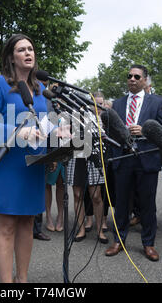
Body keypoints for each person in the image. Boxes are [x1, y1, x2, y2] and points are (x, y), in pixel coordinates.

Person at [0, 34, 65, 283]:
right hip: (7, 165)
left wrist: (58, 132)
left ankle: (22, 280)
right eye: (21, 49)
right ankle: (7, 285)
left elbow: (44, 123)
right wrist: (16, 131)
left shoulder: (40, 89)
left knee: (26, 225)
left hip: (32, 165)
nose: (28, 53)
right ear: (11, 57)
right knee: (6, 226)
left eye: (31, 49)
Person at [104, 64, 162, 262]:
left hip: (147, 158)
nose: (132, 79)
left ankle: (148, 244)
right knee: (121, 203)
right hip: (123, 159)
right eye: (129, 76)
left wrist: (145, 130)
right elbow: (109, 131)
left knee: (147, 204)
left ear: (145, 80)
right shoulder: (117, 103)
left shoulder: (158, 102)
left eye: (136, 76)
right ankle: (119, 240)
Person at [68, 91, 108, 245]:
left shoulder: (100, 118)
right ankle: (81, 229)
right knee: (77, 195)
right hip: (76, 156)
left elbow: (104, 137)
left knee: (96, 195)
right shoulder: (72, 115)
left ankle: (99, 230)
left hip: (94, 157)